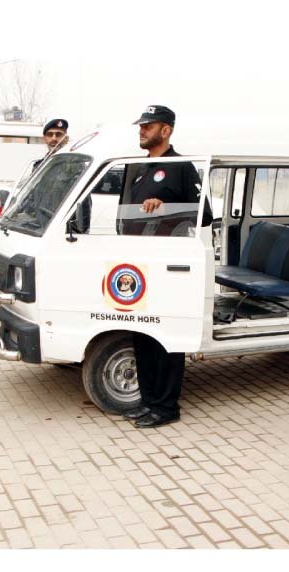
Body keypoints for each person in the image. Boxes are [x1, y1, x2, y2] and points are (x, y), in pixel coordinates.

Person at [122, 104, 210, 428]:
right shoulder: (137, 167)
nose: (142, 130)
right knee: (142, 333)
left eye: (148, 126)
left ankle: (167, 406)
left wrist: (167, 206)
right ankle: (148, 401)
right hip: (139, 263)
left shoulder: (181, 166)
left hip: (169, 264)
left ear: (166, 130)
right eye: (141, 126)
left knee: (165, 336)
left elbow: (205, 215)